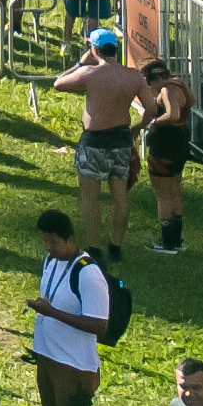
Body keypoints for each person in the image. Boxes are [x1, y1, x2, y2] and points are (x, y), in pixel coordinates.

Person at [25, 210, 116, 406]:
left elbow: (100, 326)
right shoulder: (51, 262)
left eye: (53, 241)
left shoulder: (88, 273)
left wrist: (51, 314)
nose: (48, 246)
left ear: (70, 239)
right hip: (50, 358)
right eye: (45, 241)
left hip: (74, 366)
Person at [57, 29, 147, 255]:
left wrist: (80, 62)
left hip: (94, 141)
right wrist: (138, 127)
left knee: (91, 197)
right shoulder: (133, 76)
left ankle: (94, 246)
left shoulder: (89, 73)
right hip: (121, 139)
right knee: (120, 195)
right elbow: (153, 108)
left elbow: (58, 83)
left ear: (94, 49)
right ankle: (116, 245)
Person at [142, 61, 199, 255]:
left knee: (163, 194)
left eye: (150, 83)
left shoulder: (166, 90)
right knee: (175, 190)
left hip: (165, 143)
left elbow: (172, 114)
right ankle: (176, 239)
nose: (150, 88)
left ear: (157, 78)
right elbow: (192, 99)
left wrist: (154, 121)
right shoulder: (179, 84)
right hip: (181, 141)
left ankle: (166, 242)